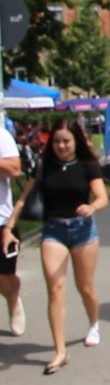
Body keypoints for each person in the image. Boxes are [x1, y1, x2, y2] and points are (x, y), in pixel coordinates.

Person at [8, 119, 109, 374]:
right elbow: (22, 200)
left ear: (76, 141)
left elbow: (102, 197)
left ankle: (94, 323)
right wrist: (9, 228)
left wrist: (92, 207)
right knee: (55, 289)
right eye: (56, 141)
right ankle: (60, 351)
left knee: (84, 287)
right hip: (53, 230)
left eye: (66, 141)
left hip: (83, 230)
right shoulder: (45, 166)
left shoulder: (87, 166)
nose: (61, 146)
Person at [0, 125, 26, 340]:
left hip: (2, 221)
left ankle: (13, 297)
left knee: (4, 278)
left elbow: (15, 169)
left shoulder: (1, 135)